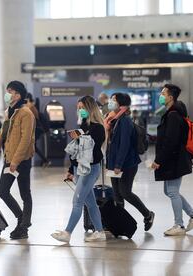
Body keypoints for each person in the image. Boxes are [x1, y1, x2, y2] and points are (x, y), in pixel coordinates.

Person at [51, 96, 106, 243]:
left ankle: (67, 232)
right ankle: (100, 232)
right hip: (78, 169)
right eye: (78, 108)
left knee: (77, 201)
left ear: (90, 109)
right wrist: (71, 169)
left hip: (89, 169)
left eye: (82, 107)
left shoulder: (98, 128)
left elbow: (92, 153)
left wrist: (82, 139)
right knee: (90, 203)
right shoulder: (83, 126)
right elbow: (76, 152)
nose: (80, 110)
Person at [151, 84, 193, 236]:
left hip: (174, 159)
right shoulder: (172, 113)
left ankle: (179, 225)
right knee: (169, 191)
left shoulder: (173, 115)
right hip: (174, 158)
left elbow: (170, 141)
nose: (161, 95)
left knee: (172, 191)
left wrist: (158, 160)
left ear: (170, 97)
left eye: (163, 93)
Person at [104, 92, 155, 232]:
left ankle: (147, 214)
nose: (110, 102)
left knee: (125, 192)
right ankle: (120, 224)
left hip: (126, 164)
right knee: (117, 195)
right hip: (113, 163)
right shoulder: (112, 120)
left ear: (121, 104)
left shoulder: (125, 120)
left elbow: (124, 144)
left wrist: (118, 165)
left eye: (113, 100)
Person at [0, 81, 35, 240]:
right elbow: (4, 129)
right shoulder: (10, 111)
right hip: (9, 157)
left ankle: (23, 227)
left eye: (10, 91)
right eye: (7, 90)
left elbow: (25, 139)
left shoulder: (26, 113)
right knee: (3, 191)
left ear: (18, 95)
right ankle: (22, 219)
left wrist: (16, 161)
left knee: (25, 194)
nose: (7, 94)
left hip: (21, 160)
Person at [25, 93, 50, 167]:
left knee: (30, 146)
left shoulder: (30, 106)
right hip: (36, 130)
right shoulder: (31, 106)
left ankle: (44, 160)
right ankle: (45, 160)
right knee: (32, 146)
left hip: (35, 130)